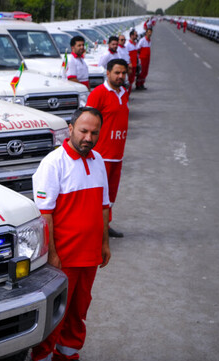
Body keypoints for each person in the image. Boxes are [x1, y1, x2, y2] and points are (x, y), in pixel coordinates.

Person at [29, 107, 111, 361]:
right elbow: (45, 216)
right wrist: (51, 254)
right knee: (56, 315)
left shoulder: (98, 160)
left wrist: (104, 244)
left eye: (94, 133)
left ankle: (67, 356)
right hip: (63, 257)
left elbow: (104, 206)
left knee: (79, 310)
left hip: (89, 256)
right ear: (71, 128)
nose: (88, 138)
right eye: (83, 131)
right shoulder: (53, 164)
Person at [87, 59, 130, 238]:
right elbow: (87, 121)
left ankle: (106, 225)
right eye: (117, 73)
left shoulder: (124, 93)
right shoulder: (98, 94)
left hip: (117, 155)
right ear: (108, 73)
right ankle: (93, 230)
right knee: (97, 196)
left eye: (123, 73)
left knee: (110, 195)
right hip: (101, 156)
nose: (120, 76)